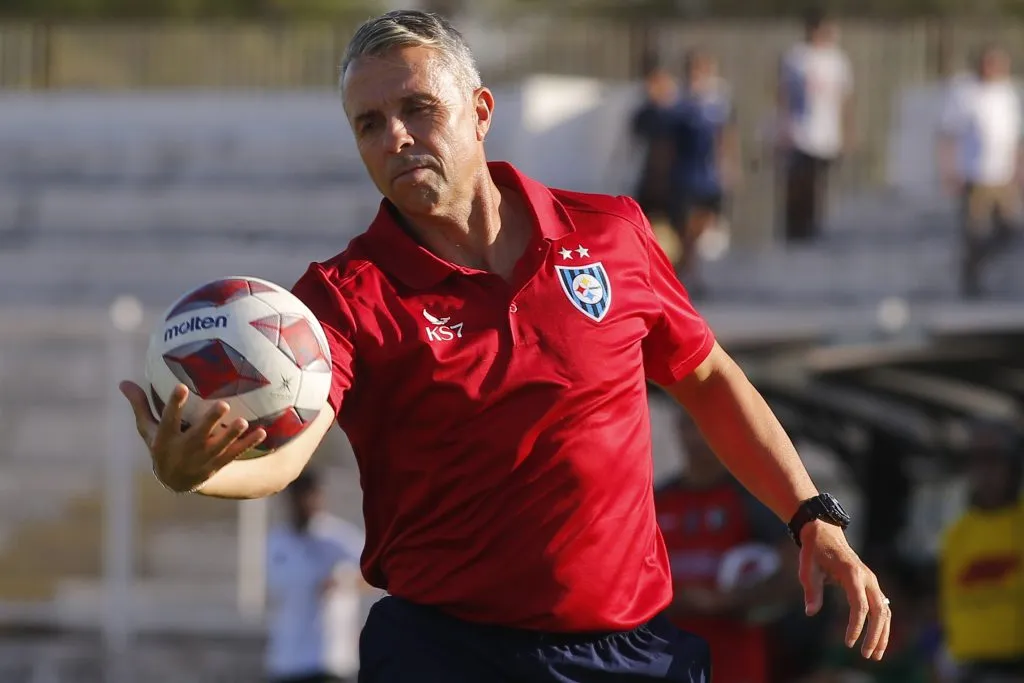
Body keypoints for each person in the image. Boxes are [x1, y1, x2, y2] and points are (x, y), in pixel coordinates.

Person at [119, 10, 891, 682]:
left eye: (419, 109)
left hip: (630, 651)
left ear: (480, 110)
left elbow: (708, 376)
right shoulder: (342, 295)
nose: (396, 137)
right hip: (448, 653)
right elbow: (290, 449)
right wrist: (202, 474)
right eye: (370, 122)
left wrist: (811, 513)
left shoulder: (612, 232)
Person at [655, 412, 799, 683]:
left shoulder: (754, 498)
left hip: (733, 663)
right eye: (691, 426)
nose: (698, 438)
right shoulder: (656, 500)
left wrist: (727, 601)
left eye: (708, 426)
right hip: (663, 658)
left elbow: (795, 576)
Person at [939, 421, 1024, 683]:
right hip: (968, 668)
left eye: (993, 460)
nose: (985, 471)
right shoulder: (957, 533)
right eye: (977, 461)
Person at [937, 44, 1024, 298]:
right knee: (975, 232)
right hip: (975, 175)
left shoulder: (1007, 94)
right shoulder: (965, 94)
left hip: (1003, 176)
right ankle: (971, 278)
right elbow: (948, 135)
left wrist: (1019, 170)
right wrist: (949, 170)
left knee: (1011, 228)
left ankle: (983, 262)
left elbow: (1015, 137)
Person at [265, 469, 365, 683]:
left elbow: (375, 574)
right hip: (286, 659)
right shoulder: (277, 541)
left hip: (327, 659)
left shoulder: (336, 538)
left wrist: (344, 582)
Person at [778, 9, 854, 242]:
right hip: (801, 132)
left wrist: (847, 131)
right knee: (800, 181)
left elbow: (845, 98)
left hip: (827, 132)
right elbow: (784, 94)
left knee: (821, 183)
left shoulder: (837, 60)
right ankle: (795, 228)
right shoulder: (797, 58)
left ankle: (816, 227)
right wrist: (783, 125)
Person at [666, 48, 740, 289]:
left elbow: (725, 135)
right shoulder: (679, 103)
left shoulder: (718, 101)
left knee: (706, 220)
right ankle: (688, 271)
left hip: (709, 172)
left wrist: (729, 165)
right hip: (685, 171)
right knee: (685, 224)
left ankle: (690, 266)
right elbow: (668, 142)